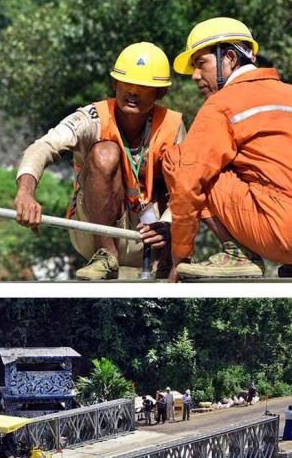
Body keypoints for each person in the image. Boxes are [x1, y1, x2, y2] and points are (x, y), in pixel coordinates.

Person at [162, 17, 292, 280]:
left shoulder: (221, 104)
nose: (194, 75)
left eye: (201, 63)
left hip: (285, 234)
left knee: (180, 159)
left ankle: (236, 254)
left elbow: (188, 182)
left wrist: (179, 258)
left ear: (229, 58)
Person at [15, 42, 185, 281]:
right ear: (114, 84)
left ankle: (169, 260)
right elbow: (42, 146)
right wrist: (25, 192)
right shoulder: (91, 118)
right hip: (94, 230)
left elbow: (189, 187)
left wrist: (169, 224)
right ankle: (105, 255)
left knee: (181, 170)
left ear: (160, 93)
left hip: (155, 235)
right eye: (126, 83)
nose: (133, 92)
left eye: (144, 87)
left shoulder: (172, 126)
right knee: (105, 153)